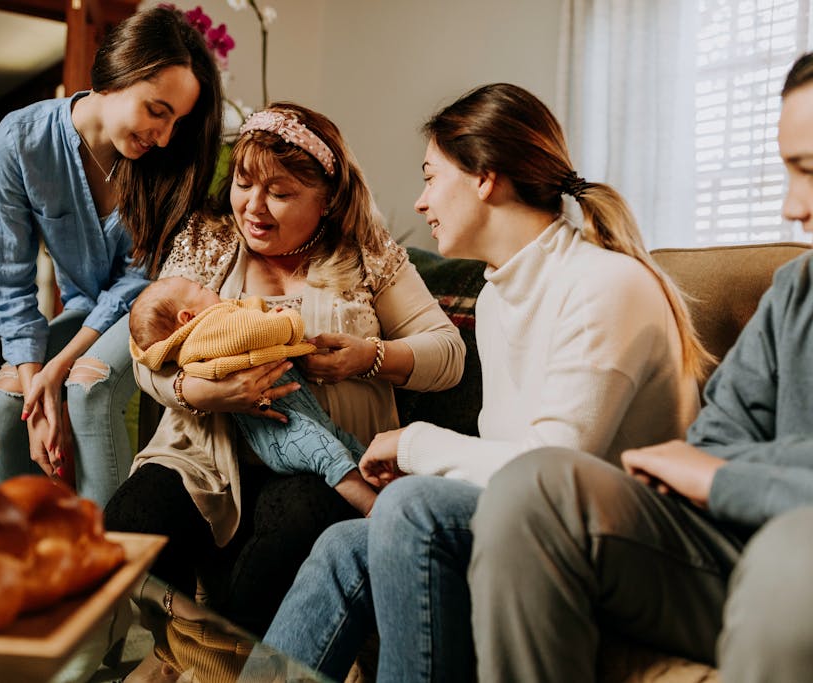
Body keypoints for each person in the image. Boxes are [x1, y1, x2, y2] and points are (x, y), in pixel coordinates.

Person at [263, 83, 710, 683]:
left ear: (484, 178)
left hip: (626, 549)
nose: (421, 203)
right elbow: (505, 459)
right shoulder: (498, 296)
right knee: (344, 545)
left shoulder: (607, 287)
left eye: (430, 176)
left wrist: (418, 447)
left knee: (410, 506)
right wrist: (427, 465)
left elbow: (550, 472)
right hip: (534, 524)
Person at [468, 54, 813, 683]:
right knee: (535, 486)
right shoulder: (797, 290)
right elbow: (707, 449)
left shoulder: (606, 285)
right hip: (733, 548)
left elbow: (715, 469)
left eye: (810, 171)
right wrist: (749, 472)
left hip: (791, 566)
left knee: (796, 558)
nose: (793, 207)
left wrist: (734, 479)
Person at [103, 102, 466, 636]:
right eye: (244, 183)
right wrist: (200, 391)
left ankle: (228, 663)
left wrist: (371, 358)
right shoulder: (211, 239)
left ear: (327, 200)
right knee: (131, 518)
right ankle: (172, 649)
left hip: (320, 459)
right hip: (204, 457)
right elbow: (149, 350)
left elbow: (449, 353)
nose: (253, 207)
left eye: (280, 193)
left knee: (296, 520)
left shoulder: (364, 251)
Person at [0, 6, 223, 507]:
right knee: (8, 401)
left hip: (151, 307)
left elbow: (137, 283)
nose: (164, 136)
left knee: (88, 389)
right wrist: (36, 388)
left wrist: (60, 368)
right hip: (88, 308)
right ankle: (12, 558)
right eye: (157, 110)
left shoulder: (165, 164)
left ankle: (112, 567)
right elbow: (10, 282)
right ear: (117, 73)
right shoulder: (20, 141)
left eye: (176, 121)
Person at [129, 276, 377, 515]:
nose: (209, 287)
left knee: (347, 445)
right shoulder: (208, 329)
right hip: (281, 429)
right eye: (201, 288)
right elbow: (251, 332)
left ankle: (389, 492)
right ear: (187, 317)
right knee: (329, 455)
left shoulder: (204, 333)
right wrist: (286, 322)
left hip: (298, 415)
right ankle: (372, 510)